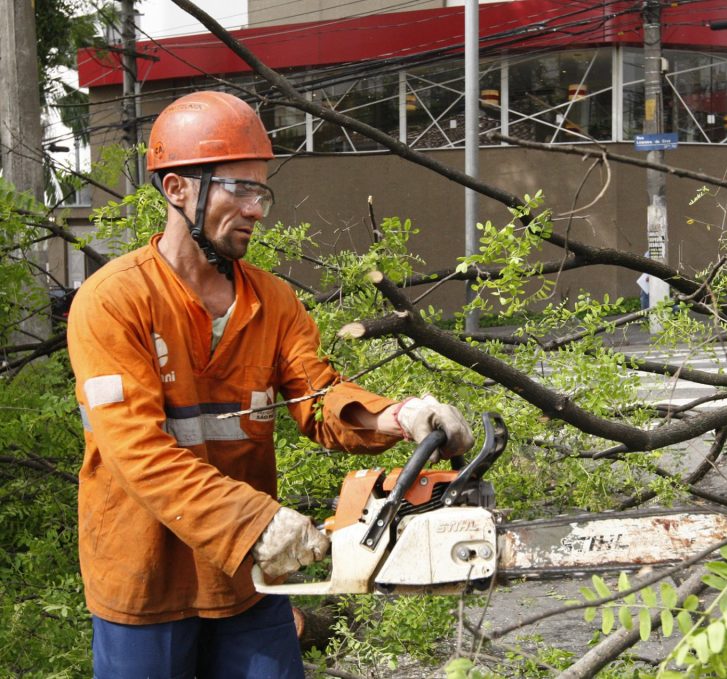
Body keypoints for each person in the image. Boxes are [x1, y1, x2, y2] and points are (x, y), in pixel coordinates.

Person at [66, 90, 474, 678]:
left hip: (247, 580)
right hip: (145, 580)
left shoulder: (272, 301)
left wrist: (398, 415)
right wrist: (252, 522)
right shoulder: (114, 301)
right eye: (240, 188)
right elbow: (137, 451)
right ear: (177, 189)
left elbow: (317, 394)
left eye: (262, 191)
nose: (257, 209)